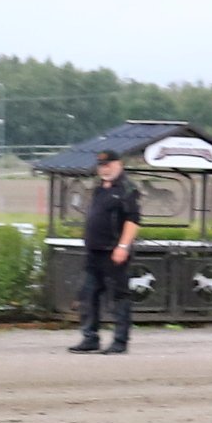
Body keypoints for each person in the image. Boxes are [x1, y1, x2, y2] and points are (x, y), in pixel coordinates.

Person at [71, 149, 141, 355]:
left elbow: (133, 220)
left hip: (114, 252)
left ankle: (120, 341)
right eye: (101, 165)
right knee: (88, 294)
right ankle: (90, 338)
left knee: (119, 296)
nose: (105, 168)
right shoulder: (99, 188)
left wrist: (123, 246)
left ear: (118, 164)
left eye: (108, 164)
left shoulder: (127, 189)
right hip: (94, 251)